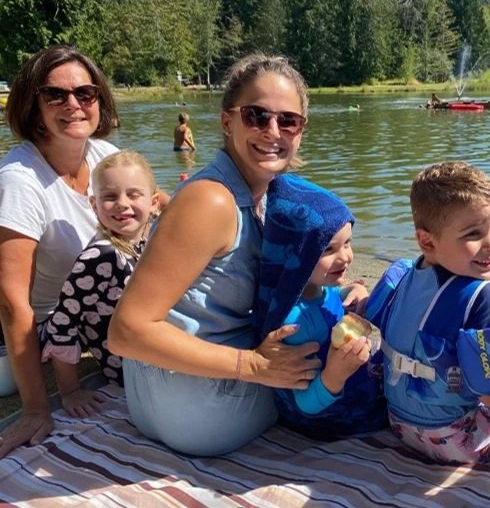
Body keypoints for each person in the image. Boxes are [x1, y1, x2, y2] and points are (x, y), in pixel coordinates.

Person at [108, 53, 322, 456]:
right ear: (227, 121)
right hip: (201, 409)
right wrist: (257, 367)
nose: (273, 130)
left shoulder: (250, 195)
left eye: (288, 120)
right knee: (339, 363)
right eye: (256, 116)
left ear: (300, 131)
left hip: (159, 398)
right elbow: (125, 332)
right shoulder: (212, 201)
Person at [372, 161, 490, 464]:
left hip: (401, 425)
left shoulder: (405, 274)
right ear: (427, 241)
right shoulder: (483, 297)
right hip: (456, 441)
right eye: (473, 234)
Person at [0, 45, 119, 457]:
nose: (74, 104)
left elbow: (156, 205)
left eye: (85, 94)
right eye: (56, 95)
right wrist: (34, 407)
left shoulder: (105, 157)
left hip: (98, 301)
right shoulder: (21, 180)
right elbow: (13, 302)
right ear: (34, 107)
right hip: (55, 321)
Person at [257, 174, 387, 440]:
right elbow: (304, 402)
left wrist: (355, 289)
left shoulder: (314, 288)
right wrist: (334, 375)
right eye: (328, 249)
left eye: (348, 243)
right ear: (296, 255)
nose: (346, 257)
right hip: (332, 419)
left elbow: (333, 293)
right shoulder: (294, 324)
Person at [41, 150, 160, 418]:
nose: (121, 204)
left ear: (154, 202)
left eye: (133, 194)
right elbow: (62, 324)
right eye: (110, 196)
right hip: (132, 372)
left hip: (149, 356)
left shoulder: (148, 242)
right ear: (94, 205)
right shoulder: (101, 256)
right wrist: (70, 391)